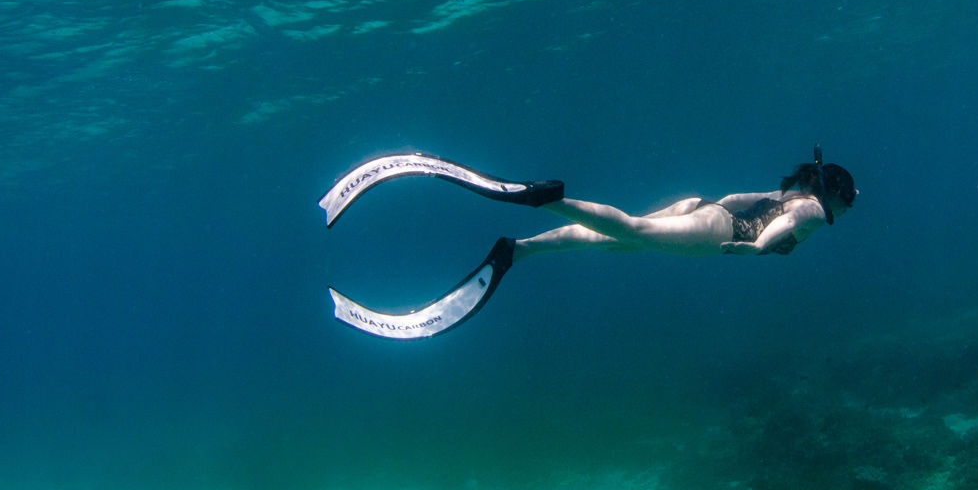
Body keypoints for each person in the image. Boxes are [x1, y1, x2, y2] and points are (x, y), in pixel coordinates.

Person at [318, 147, 856, 339]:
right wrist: (756, 249)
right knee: (631, 229)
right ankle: (542, 198)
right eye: (848, 198)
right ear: (831, 193)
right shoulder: (811, 211)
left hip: (706, 209)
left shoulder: (788, 192)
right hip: (720, 236)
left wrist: (712, 208)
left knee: (613, 240)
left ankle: (519, 250)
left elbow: (741, 195)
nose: (850, 206)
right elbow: (782, 230)